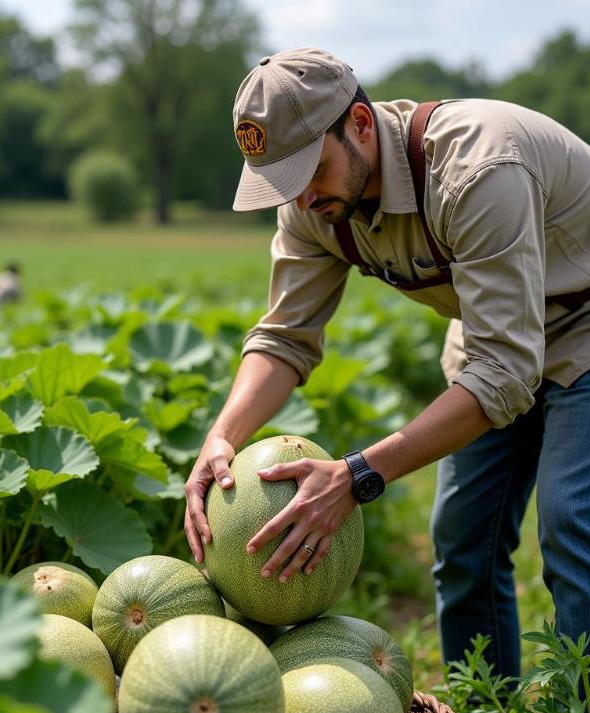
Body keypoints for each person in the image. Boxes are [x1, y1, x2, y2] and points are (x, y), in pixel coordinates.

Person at [183, 47, 590, 680]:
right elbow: (285, 338)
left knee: (572, 526)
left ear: (362, 126)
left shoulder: (478, 167)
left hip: (583, 326)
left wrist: (357, 475)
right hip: (492, 338)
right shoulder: (312, 207)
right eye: (283, 183)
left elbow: (506, 371)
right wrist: (222, 437)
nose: (303, 198)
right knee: (462, 539)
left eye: (311, 171)